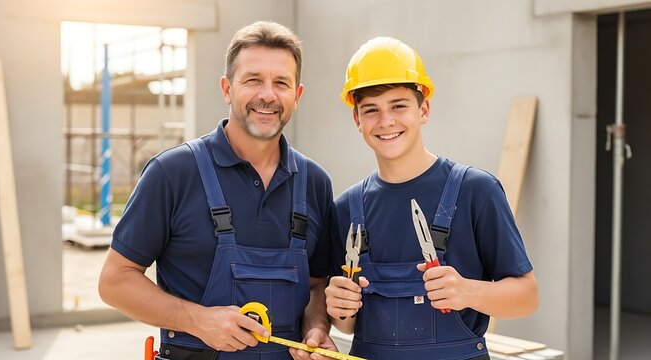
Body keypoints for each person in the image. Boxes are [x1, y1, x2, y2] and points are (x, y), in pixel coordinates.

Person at [99, 21, 337, 360]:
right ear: (227, 89)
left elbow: (317, 285)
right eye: (253, 80)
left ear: (296, 96)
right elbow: (114, 281)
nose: (267, 95)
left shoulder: (314, 182)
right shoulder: (172, 173)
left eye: (281, 83)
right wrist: (197, 320)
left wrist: (316, 329)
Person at [325, 37, 538, 359]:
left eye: (399, 105)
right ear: (357, 120)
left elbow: (527, 297)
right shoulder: (346, 210)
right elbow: (348, 326)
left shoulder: (476, 191)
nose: (386, 121)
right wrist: (340, 310)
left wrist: (468, 291)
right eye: (371, 110)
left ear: (423, 109)